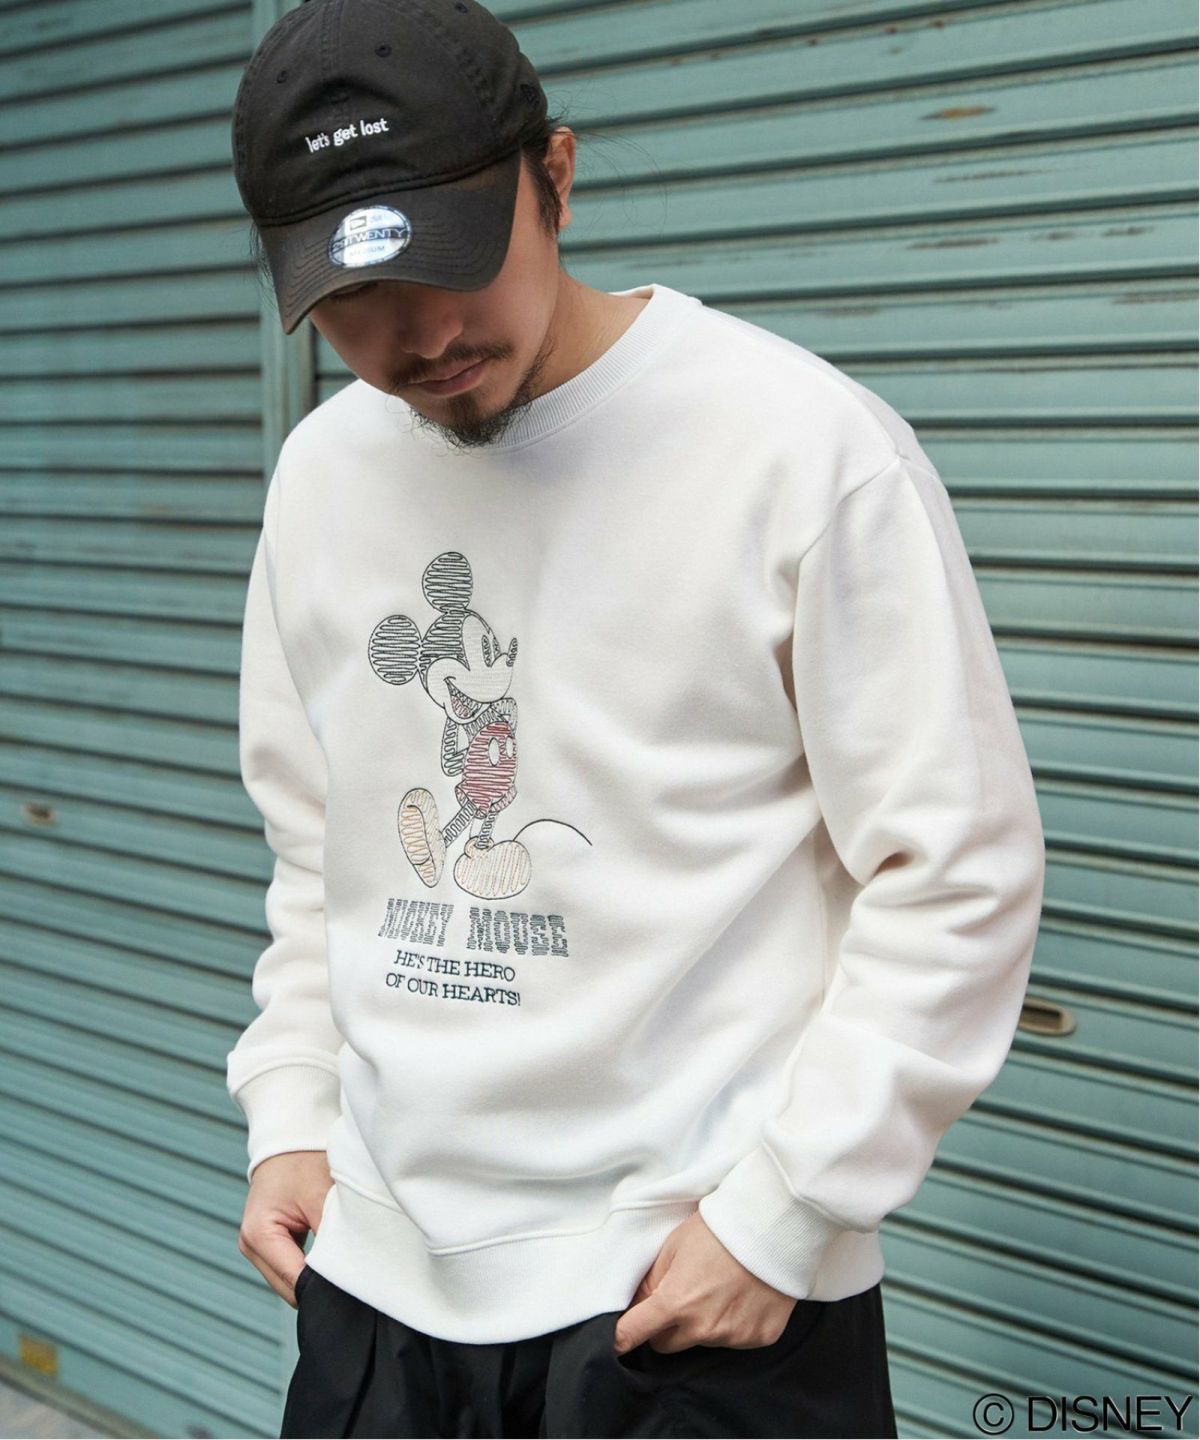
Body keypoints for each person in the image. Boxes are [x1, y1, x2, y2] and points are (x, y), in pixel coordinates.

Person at [225, 2, 1047, 1436]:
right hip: (376, 1281)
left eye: (452, 260)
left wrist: (786, 1214)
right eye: (356, 298)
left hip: (688, 1300)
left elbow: (957, 869)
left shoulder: (798, 448)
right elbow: (318, 853)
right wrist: (292, 1110)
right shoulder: (321, 477)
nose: (421, 335)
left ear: (554, 176)